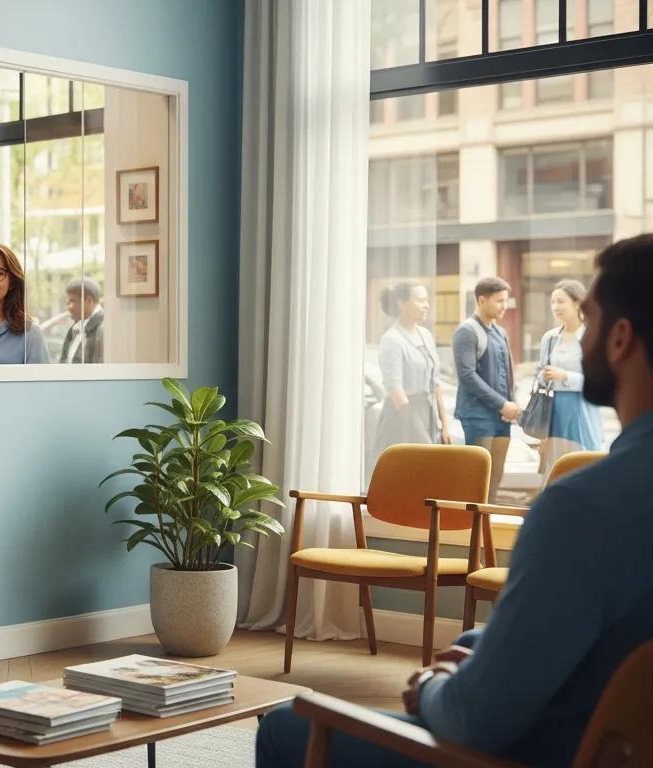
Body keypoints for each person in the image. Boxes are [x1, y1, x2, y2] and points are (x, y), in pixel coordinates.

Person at [255, 233, 653, 767]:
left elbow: (474, 721)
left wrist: (430, 686)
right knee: (471, 640)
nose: (580, 339)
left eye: (590, 319)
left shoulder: (581, 510)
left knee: (285, 726)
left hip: (541, 752)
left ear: (621, 339)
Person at [370, 281, 452, 474]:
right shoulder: (392, 339)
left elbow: (436, 383)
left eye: (427, 300)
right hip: (402, 417)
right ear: (402, 304)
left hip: (427, 412)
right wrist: (417, 429)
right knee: (407, 472)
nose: (426, 305)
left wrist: (444, 426)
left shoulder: (425, 335)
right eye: (420, 300)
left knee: (427, 472)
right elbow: (395, 389)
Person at [452, 276, 520, 502]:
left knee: (495, 478)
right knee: (477, 478)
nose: (504, 306)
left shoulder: (500, 332)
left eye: (505, 301)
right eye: (499, 301)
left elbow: (507, 373)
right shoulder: (466, 331)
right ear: (482, 300)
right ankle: (470, 523)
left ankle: (487, 521)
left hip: (502, 417)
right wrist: (502, 404)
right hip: (478, 415)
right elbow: (467, 376)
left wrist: (511, 404)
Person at [537, 279, 603, 473]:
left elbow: (597, 380)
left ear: (577, 303)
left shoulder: (592, 336)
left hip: (583, 407)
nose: (555, 307)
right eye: (553, 302)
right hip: (554, 409)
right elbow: (539, 374)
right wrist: (544, 377)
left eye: (560, 301)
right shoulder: (550, 338)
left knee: (583, 462)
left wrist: (565, 375)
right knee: (556, 465)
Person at [59, 278, 105, 364]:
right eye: (67, 303)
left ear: (89, 301)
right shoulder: (76, 328)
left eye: (72, 301)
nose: (68, 307)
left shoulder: (102, 329)